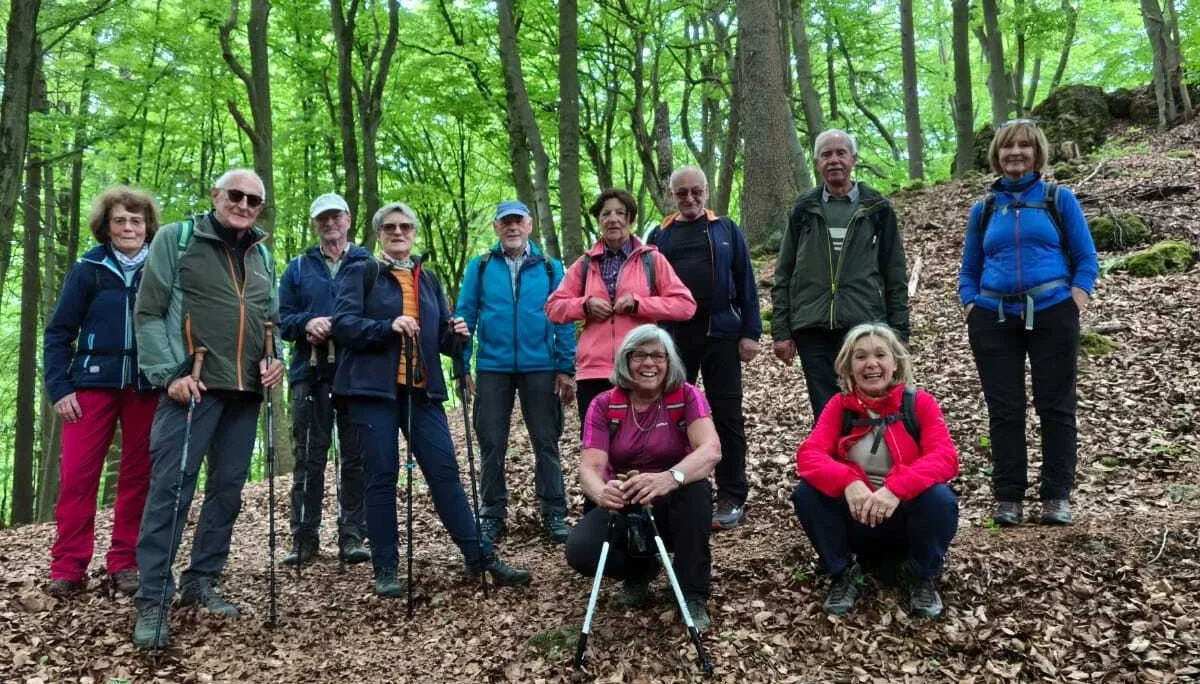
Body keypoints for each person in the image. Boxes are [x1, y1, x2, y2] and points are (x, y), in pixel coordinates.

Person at [332, 201, 532, 597]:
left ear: (414, 232)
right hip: (373, 391)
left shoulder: (428, 279)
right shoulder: (362, 271)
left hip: (423, 390)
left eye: (405, 226)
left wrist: (457, 335)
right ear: (378, 234)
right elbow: (343, 324)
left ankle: (479, 556)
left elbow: (442, 338)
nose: (398, 232)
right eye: (389, 227)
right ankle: (385, 567)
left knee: (444, 473)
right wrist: (386, 327)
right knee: (381, 477)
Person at [130, 169, 285, 649]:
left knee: (227, 491)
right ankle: (153, 600)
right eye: (235, 195)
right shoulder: (178, 240)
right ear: (216, 195)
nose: (242, 204)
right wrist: (168, 375)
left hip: (243, 394)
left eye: (253, 199)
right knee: (171, 491)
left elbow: (270, 320)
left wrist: (274, 358)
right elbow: (149, 311)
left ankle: (202, 580)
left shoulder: (261, 255)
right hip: (191, 387)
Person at [958, 119, 1098, 527]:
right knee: (1004, 409)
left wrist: (1076, 300)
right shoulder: (983, 209)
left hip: (1053, 311)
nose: (1015, 152)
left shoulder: (1059, 199)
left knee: (1056, 406)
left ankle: (1056, 495)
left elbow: (1086, 258)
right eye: (1007, 147)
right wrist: (970, 304)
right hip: (993, 317)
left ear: (1037, 153)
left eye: (1023, 146)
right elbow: (969, 268)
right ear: (996, 155)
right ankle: (1008, 497)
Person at [42, 186, 162, 597]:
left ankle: (124, 562)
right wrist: (59, 388)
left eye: (136, 220)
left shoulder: (161, 270)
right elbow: (58, 332)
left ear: (148, 227)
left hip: (146, 385)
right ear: (106, 227)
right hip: (90, 385)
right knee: (77, 476)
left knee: (137, 477)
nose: (129, 227)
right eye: (120, 220)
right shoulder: (87, 270)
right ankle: (68, 566)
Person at [791, 323, 958, 618]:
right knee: (806, 493)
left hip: (904, 518)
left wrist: (896, 489)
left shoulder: (918, 403)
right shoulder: (839, 407)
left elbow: (944, 457)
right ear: (848, 366)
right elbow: (809, 455)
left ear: (895, 363)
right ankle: (842, 573)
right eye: (860, 357)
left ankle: (920, 575)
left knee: (940, 499)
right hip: (856, 518)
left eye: (881, 355)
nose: (871, 364)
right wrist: (848, 482)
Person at [565, 325, 721, 629]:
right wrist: (601, 493)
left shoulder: (686, 396)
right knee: (581, 551)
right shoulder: (604, 404)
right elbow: (590, 468)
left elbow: (711, 449)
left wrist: (669, 477)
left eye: (657, 356)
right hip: (627, 498)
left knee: (696, 490)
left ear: (669, 361)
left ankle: (691, 594)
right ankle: (641, 570)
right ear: (625, 360)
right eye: (639, 355)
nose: (649, 363)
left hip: (675, 497)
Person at [455, 200, 576, 545]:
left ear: (529, 225)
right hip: (493, 367)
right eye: (505, 222)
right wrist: (461, 367)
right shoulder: (479, 267)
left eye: (517, 222)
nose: (512, 228)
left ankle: (554, 512)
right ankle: (492, 514)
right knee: (491, 442)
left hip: (541, 366)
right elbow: (465, 317)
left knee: (546, 440)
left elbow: (564, 320)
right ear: (496, 228)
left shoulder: (551, 268)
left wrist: (565, 367)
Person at [648, 166, 761, 531]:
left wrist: (750, 332)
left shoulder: (726, 230)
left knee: (727, 414)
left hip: (721, 335)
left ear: (707, 191)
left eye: (697, 191)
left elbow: (746, 283)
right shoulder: (659, 236)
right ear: (671, 195)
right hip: (674, 341)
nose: (690, 199)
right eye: (682, 193)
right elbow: (650, 290)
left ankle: (731, 495)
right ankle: (680, 491)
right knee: (673, 417)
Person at [772, 129, 909, 419]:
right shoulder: (803, 209)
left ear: (853, 159)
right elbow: (784, 272)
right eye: (826, 154)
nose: (834, 160)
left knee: (866, 403)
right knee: (826, 410)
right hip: (812, 325)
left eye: (840, 153)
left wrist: (898, 331)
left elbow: (894, 273)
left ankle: (867, 463)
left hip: (864, 324)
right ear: (817, 163)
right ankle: (832, 463)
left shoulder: (876, 208)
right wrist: (782, 331)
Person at [545, 188, 696, 424]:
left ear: (629, 219)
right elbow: (553, 308)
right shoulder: (584, 264)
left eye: (620, 213)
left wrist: (639, 304)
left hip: (641, 368)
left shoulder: (651, 260)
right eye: (606, 214)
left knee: (642, 446)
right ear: (598, 220)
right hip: (594, 372)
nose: (613, 219)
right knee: (596, 447)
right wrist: (585, 306)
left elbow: (685, 305)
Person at [277, 192, 370, 567]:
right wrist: (306, 324)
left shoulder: (367, 264)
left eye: (336, 217)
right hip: (309, 373)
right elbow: (282, 320)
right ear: (315, 224)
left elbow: (379, 312)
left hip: (356, 373)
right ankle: (304, 538)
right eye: (322, 219)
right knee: (309, 456)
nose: (330, 224)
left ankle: (352, 536)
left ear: (348, 219)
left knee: (355, 457)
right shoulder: (298, 268)